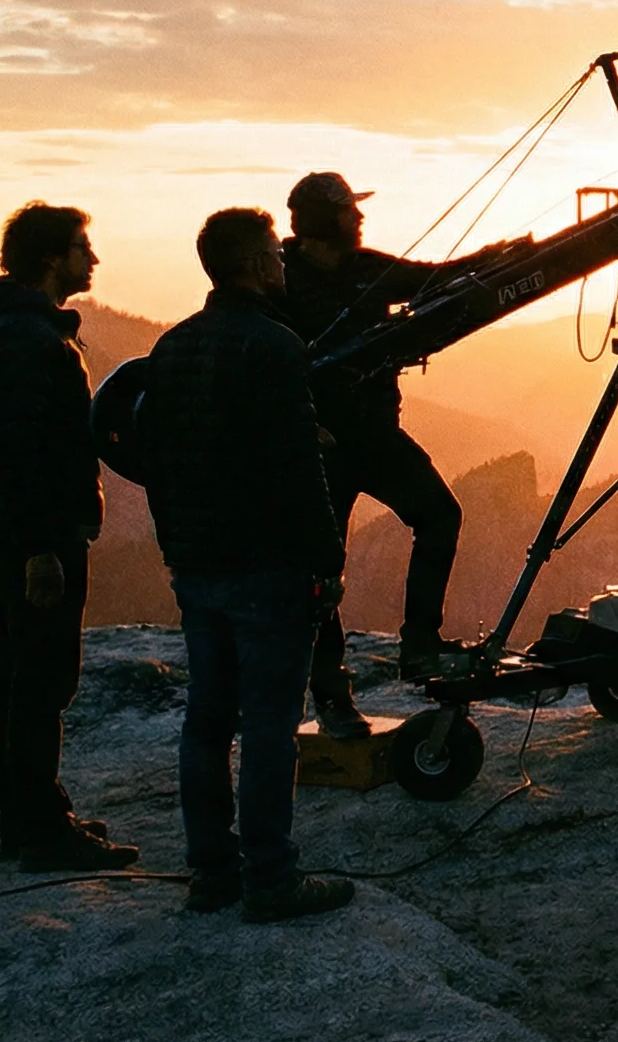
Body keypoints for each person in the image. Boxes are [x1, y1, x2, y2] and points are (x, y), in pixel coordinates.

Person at [140, 208, 354, 922]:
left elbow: (156, 464)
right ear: (259, 264)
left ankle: (211, 874)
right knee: (268, 723)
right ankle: (270, 878)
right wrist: (325, 560)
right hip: (267, 566)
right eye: (275, 254)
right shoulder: (273, 345)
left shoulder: (172, 348)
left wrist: (175, 547)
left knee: (207, 721)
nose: (283, 264)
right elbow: (298, 469)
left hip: (198, 564)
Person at [278, 172, 515, 722]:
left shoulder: (362, 268)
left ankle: (420, 642)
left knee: (439, 515)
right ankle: (333, 695)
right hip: (319, 446)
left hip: (374, 436)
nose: (359, 218)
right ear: (323, 219)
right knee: (321, 567)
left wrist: (492, 258)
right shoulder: (283, 283)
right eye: (348, 210)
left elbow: (430, 280)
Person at [0, 203, 140, 873]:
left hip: (21, 532)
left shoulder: (22, 332)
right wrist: (40, 547)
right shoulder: (29, 341)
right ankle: (40, 831)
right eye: (79, 247)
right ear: (49, 258)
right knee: (41, 679)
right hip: (35, 537)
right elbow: (17, 452)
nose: (91, 258)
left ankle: (30, 817)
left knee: (21, 677)